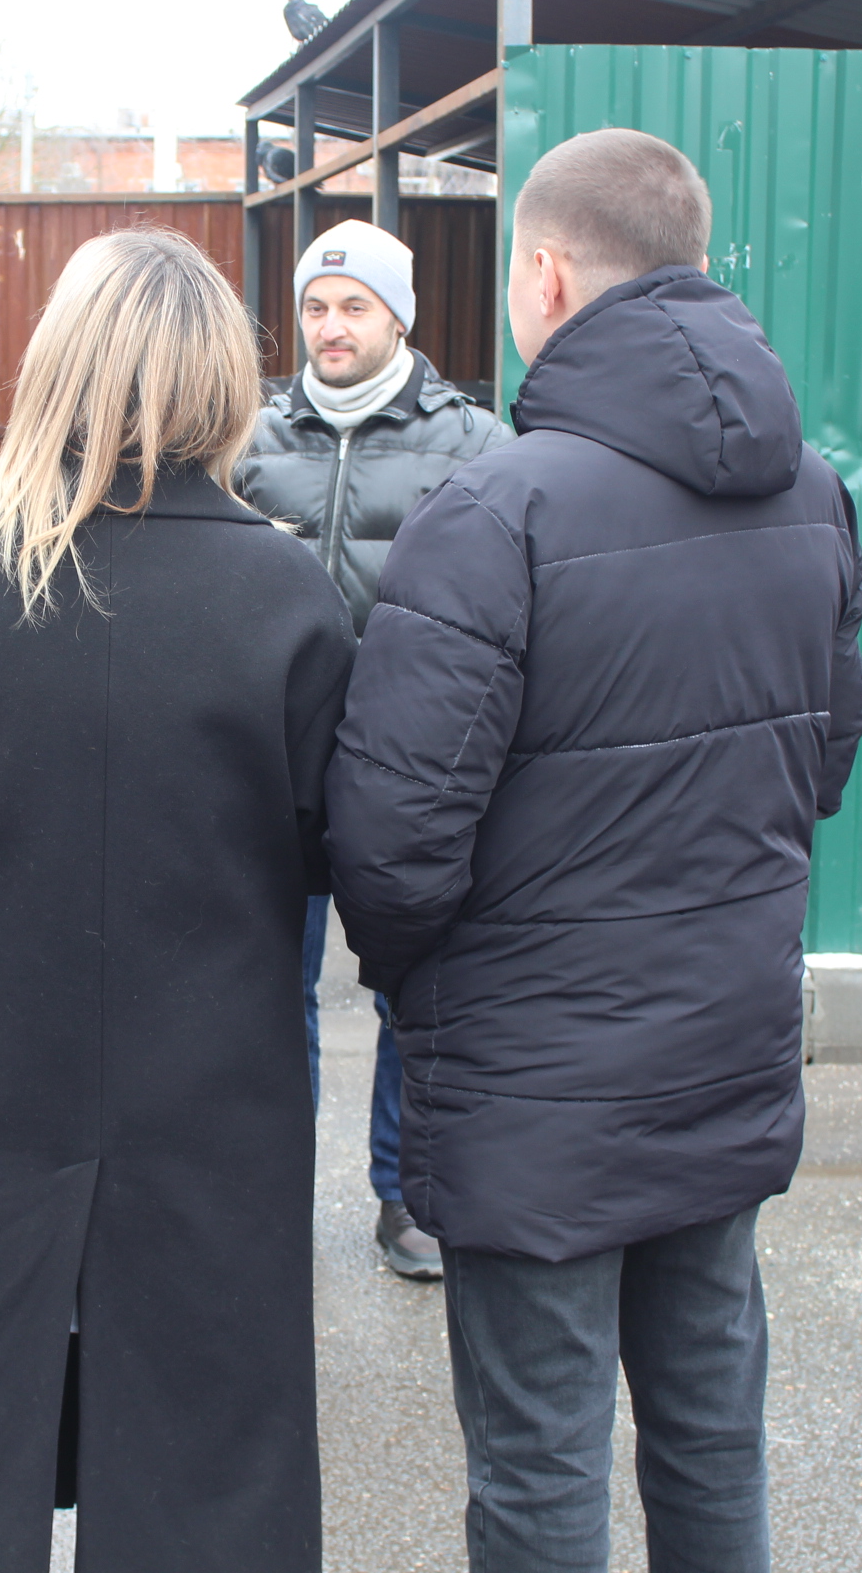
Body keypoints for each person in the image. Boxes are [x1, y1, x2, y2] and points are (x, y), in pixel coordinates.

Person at [324, 128, 862, 1571]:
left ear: (548, 277)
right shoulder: (811, 493)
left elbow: (388, 841)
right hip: (725, 1054)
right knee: (710, 1435)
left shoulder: (495, 511)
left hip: (532, 1094)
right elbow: (823, 762)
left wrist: (430, 984)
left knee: (540, 1470)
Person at [0, 227, 354, 1573]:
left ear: (54, 365)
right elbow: (340, 849)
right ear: (224, 379)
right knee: (208, 1479)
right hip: (213, 1102)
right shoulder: (283, 593)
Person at [236, 217, 509, 1283]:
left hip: (409, 763)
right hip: (274, 760)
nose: (331, 326)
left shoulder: (475, 443)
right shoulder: (250, 438)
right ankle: (271, 1184)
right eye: (315, 306)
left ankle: (406, 1193)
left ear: (400, 314)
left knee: (411, 985)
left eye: (354, 306)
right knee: (269, 988)